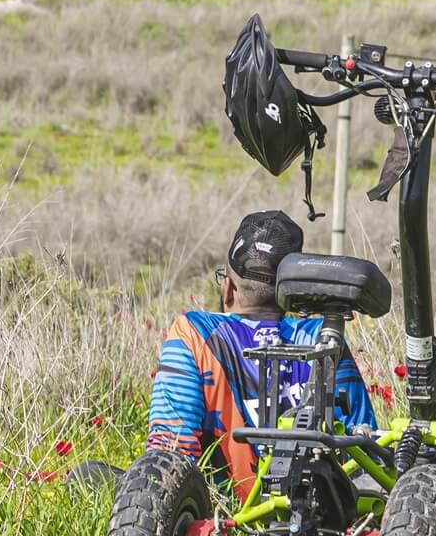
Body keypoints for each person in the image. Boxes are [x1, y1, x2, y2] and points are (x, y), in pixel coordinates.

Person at [146, 210, 374, 501]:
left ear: (227, 288)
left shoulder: (194, 332)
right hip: (320, 516)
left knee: (90, 473)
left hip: (224, 518)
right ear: (290, 294)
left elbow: (170, 455)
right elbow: (364, 447)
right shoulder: (324, 335)